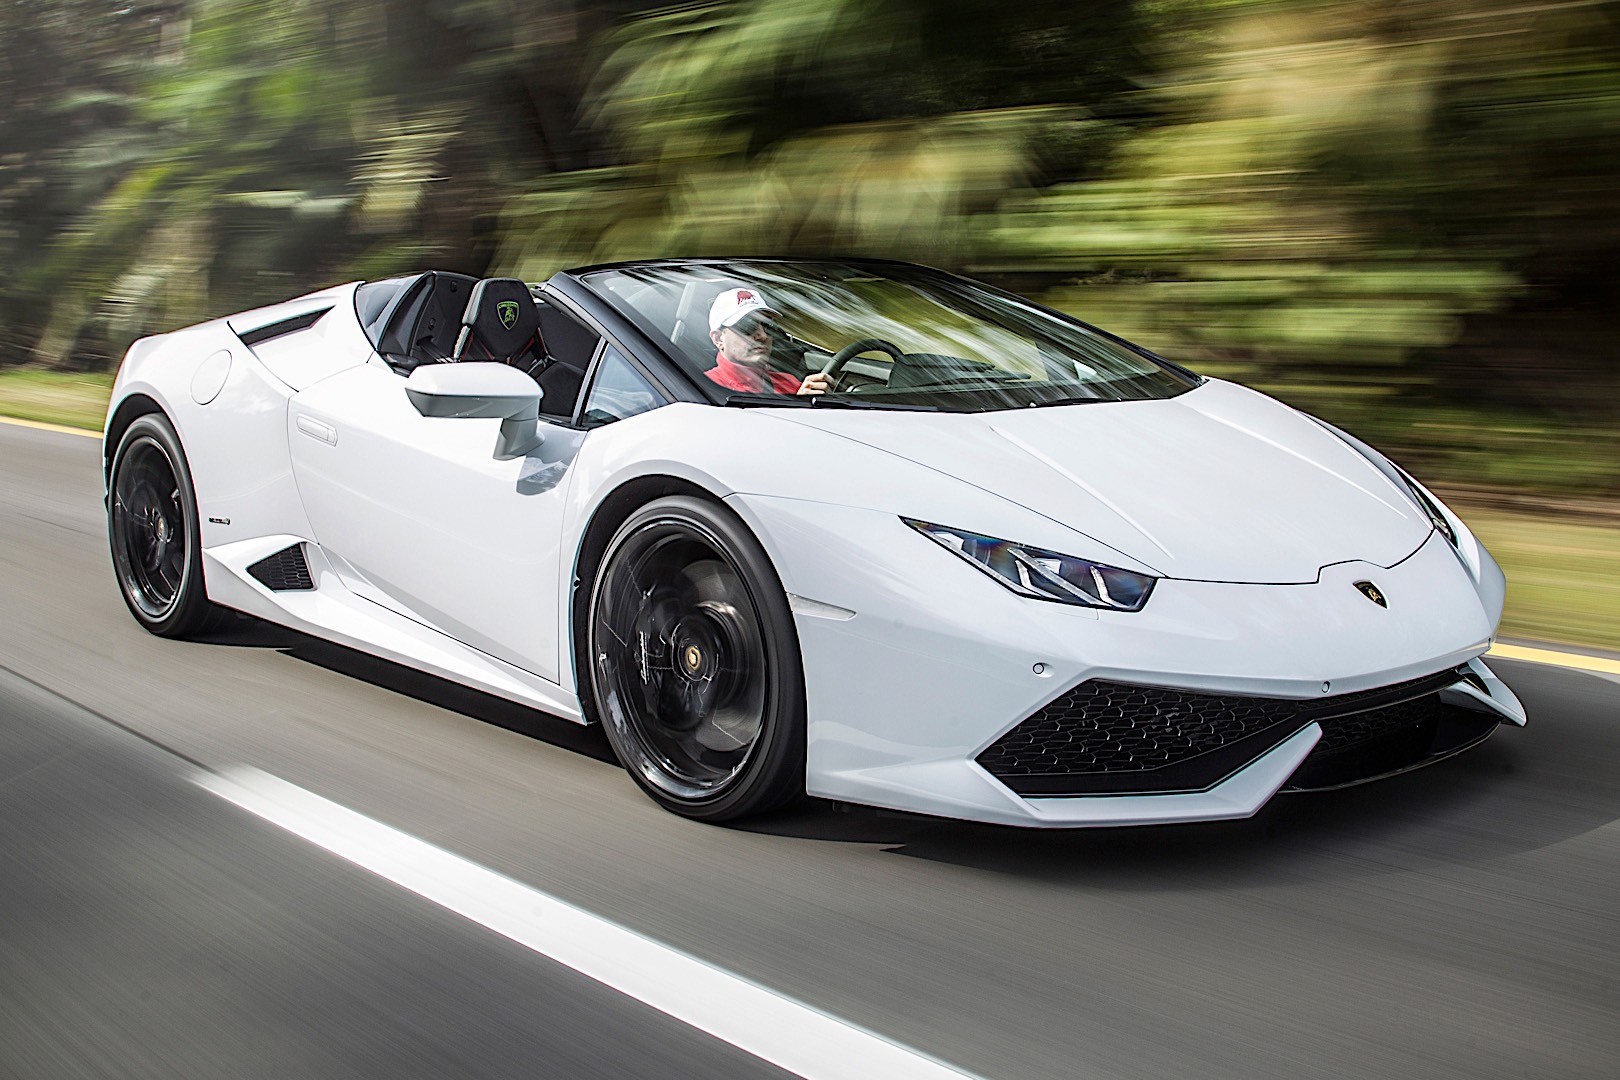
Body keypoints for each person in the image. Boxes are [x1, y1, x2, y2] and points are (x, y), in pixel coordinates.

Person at [704, 288, 831, 396]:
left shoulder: (790, 383)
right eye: (748, 326)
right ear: (718, 338)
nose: (763, 335)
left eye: (768, 325)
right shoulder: (701, 388)